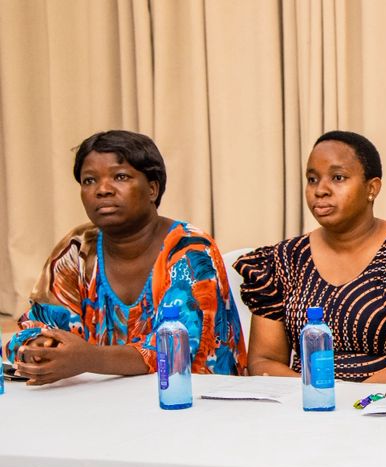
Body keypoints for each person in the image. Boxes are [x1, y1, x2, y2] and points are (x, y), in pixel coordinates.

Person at [5, 130, 246, 384]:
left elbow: (176, 350)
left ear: (152, 189)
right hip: (101, 399)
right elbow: (32, 327)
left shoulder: (189, 249)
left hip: (193, 398)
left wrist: (87, 359)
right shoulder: (78, 248)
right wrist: (40, 346)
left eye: (120, 177)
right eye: (89, 180)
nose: (102, 190)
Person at [234, 131, 386, 383]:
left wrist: (347, 399)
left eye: (338, 177)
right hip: (304, 401)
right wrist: (316, 394)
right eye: (312, 179)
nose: (320, 190)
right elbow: (264, 361)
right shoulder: (284, 259)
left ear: (372, 188)